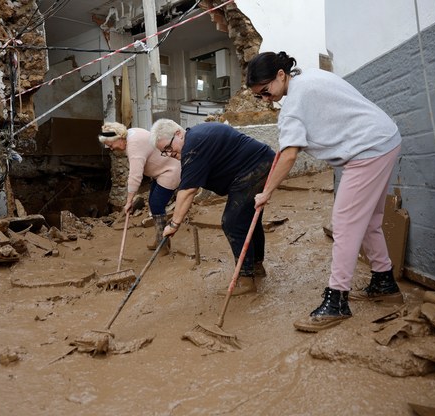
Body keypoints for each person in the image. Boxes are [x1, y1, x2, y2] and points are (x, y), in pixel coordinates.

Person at [246, 51, 403, 332]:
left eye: (266, 92)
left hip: (367, 150)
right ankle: (384, 283)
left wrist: (266, 192)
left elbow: (289, 155)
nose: (266, 99)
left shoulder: (293, 103)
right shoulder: (307, 77)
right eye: (260, 96)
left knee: (343, 224)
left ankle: (337, 301)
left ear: (281, 75)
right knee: (368, 221)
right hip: (384, 139)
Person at [151, 119, 276, 295]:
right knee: (246, 220)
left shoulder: (194, 145)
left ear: (178, 134)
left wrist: (174, 224)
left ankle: (246, 279)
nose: (169, 153)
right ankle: (255, 267)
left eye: (168, 148)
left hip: (255, 167)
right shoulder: (196, 139)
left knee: (232, 222)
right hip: (258, 164)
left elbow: (188, 191)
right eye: (164, 152)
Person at [99, 122, 181, 255]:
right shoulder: (131, 134)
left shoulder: (134, 145)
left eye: (111, 145)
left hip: (170, 171)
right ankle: (161, 238)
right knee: (154, 202)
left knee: (156, 204)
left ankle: (163, 244)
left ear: (118, 138)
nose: (111, 149)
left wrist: (129, 201)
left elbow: (135, 176)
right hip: (161, 171)